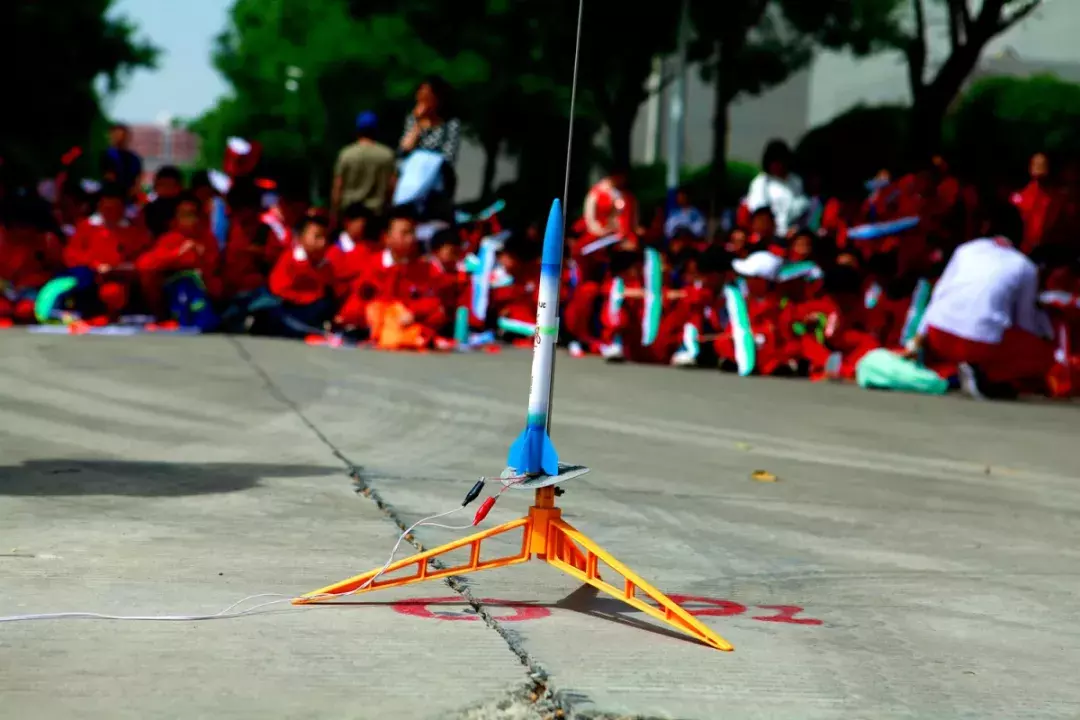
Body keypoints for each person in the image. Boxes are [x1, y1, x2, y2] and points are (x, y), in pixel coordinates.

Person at [909, 200, 1055, 398]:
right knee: (1042, 353)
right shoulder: (1025, 266)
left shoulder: (965, 250)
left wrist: (918, 339)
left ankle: (963, 372)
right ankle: (986, 375)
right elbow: (1025, 322)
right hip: (978, 346)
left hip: (939, 334)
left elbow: (939, 294)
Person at [134, 192, 220, 330]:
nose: (190, 220)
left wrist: (200, 259)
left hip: (201, 290)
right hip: (173, 291)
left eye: (193, 214)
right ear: (176, 218)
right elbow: (144, 264)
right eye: (184, 215)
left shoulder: (208, 239)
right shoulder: (170, 239)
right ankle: (166, 317)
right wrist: (178, 254)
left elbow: (213, 269)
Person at [332, 111, 395, 223]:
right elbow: (392, 186)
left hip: (350, 215)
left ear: (357, 131)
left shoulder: (346, 154)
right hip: (376, 215)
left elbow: (338, 186)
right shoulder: (387, 155)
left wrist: (335, 214)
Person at [745, 139, 807, 237]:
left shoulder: (796, 181)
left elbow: (802, 207)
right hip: (770, 234)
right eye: (774, 162)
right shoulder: (761, 182)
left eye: (780, 162)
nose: (778, 166)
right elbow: (758, 210)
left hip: (793, 233)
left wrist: (796, 228)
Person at [398, 77, 461, 165]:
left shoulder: (450, 124)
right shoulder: (413, 119)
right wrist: (418, 124)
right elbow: (403, 150)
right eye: (421, 97)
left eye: (427, 97)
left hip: (433, 169)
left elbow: (448, 157)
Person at [100, 123, 142, 197]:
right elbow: (109, 178)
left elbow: (137, 180)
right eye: (116, 135)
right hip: (112, 197)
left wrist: (133, 191)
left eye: (123, 135)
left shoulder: (134, 158)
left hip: (129, 197)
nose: (120, 138)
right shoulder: (107, 155)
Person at [143, 166, 185, 238]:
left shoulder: (187, 208)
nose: (166, 189)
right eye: (162, 185)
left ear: (179, 187)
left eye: (170, 185)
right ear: (155, 187)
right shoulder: (148, 210)